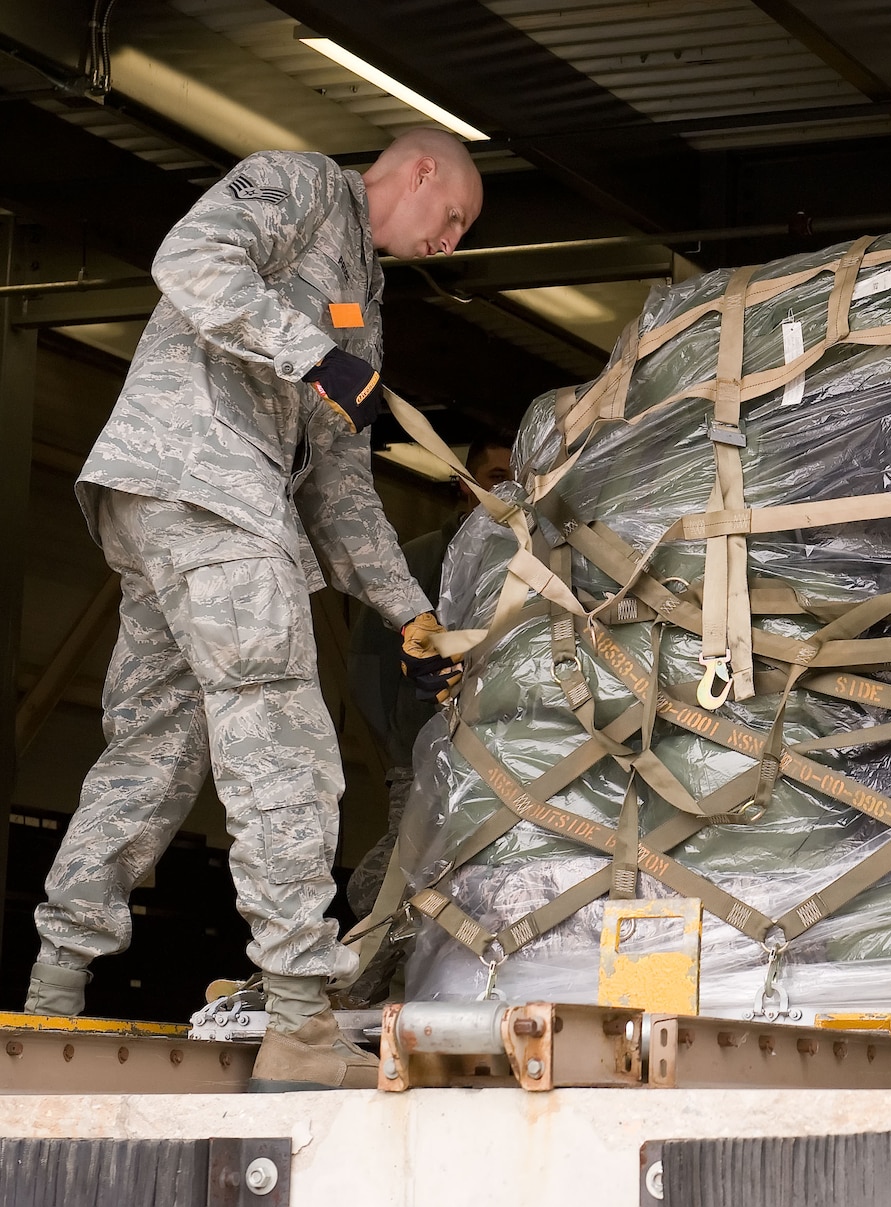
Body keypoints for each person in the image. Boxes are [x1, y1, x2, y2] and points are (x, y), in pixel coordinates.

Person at [22, 128, 479, 1091]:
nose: (451, 241)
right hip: (206, 484)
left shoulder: (365, 299)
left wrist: (409, 613)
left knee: (154, 747)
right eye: (454, 218)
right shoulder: (302, 184)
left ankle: (47, 998)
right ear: (423, 170)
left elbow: (342, 483)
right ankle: (300, 1016)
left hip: (184, 506)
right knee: (276, 727)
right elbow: (190, 257)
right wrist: (310, 349)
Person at [344, 436, 512, 925]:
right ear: (464, 484)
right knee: (399, 871)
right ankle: (357, 978)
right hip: (426, 746)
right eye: (495, 477)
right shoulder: (419, 562)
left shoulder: (532, 559)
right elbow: (367, 662)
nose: (507, 489)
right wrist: (406, 734)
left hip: (502, 751)